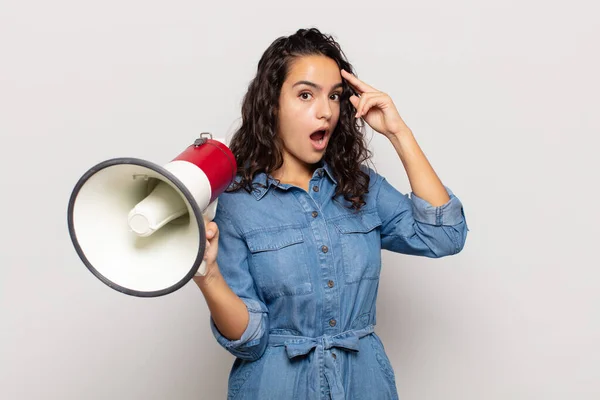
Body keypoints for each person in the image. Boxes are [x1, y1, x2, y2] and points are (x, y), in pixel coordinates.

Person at [193, 27, 469, 400]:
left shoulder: (360, 188)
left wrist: (398, 132)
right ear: (271, 104)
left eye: (335, 96)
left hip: (364, 385)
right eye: (305, 95)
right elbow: (249, 340)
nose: (325, 112)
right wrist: (208, 276)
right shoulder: (236, 202)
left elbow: (445, 236)